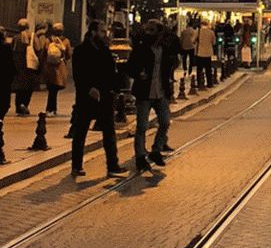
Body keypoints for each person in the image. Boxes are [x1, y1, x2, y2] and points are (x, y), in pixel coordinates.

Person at [69, 20, 127, 178]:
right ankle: (76, 166)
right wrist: (89, 89)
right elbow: (78, 74)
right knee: (80, 132)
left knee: (109, 132)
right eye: (102, 31)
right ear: (93, 32)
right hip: (87, 98)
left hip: (105, 97)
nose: (105, 34)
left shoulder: (105, 50)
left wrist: (114, 88)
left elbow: (110, 72)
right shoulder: (81, 50)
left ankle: (113, 165)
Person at [129, 19, 179, 173]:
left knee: (165, 121)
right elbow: (130, 67)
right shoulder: (141, 48)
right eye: (147, 30)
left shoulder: (164, 49)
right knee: (142, 126)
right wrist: (139, 73)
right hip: (144, 92)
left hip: (160, 92)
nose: (148, 33)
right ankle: (140, 157)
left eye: (152, 30)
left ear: (159, 32)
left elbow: (172, 63)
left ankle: (156, 150)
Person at [41, 22, 71, 117]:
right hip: (59, 67)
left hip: (49, 67)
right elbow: (68, 55)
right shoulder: (66, 41)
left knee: (51, 90)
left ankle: (49, 108)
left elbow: (44, 53)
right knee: (54, 90)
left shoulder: (48, 40)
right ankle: (52, 108)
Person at [12, 18, 40, 116]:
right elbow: (38, 49)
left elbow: (12, 51)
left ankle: (19, 106)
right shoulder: (33, 36)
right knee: (29, 87)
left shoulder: (16, 38)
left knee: (19, 87)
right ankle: (25, 104)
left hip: (18, 65)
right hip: (30, 66)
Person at [196, 18, 217, 88]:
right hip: (208, 53)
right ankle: (209, 83)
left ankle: (199, 83)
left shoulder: (198, 31)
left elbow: (193, 40)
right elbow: (214, 42)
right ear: (207, 24)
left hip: (200, 52)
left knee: (199, 69)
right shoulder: (211, 32)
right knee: (208, 69)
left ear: (201, 24)